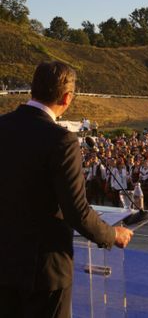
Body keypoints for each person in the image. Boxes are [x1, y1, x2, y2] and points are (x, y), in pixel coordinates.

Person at [0, 61, 133, 318]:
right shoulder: (61, 140)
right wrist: (111, 235)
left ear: (32, 90)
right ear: (66, 97)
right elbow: (76, 211)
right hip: (43, 270)